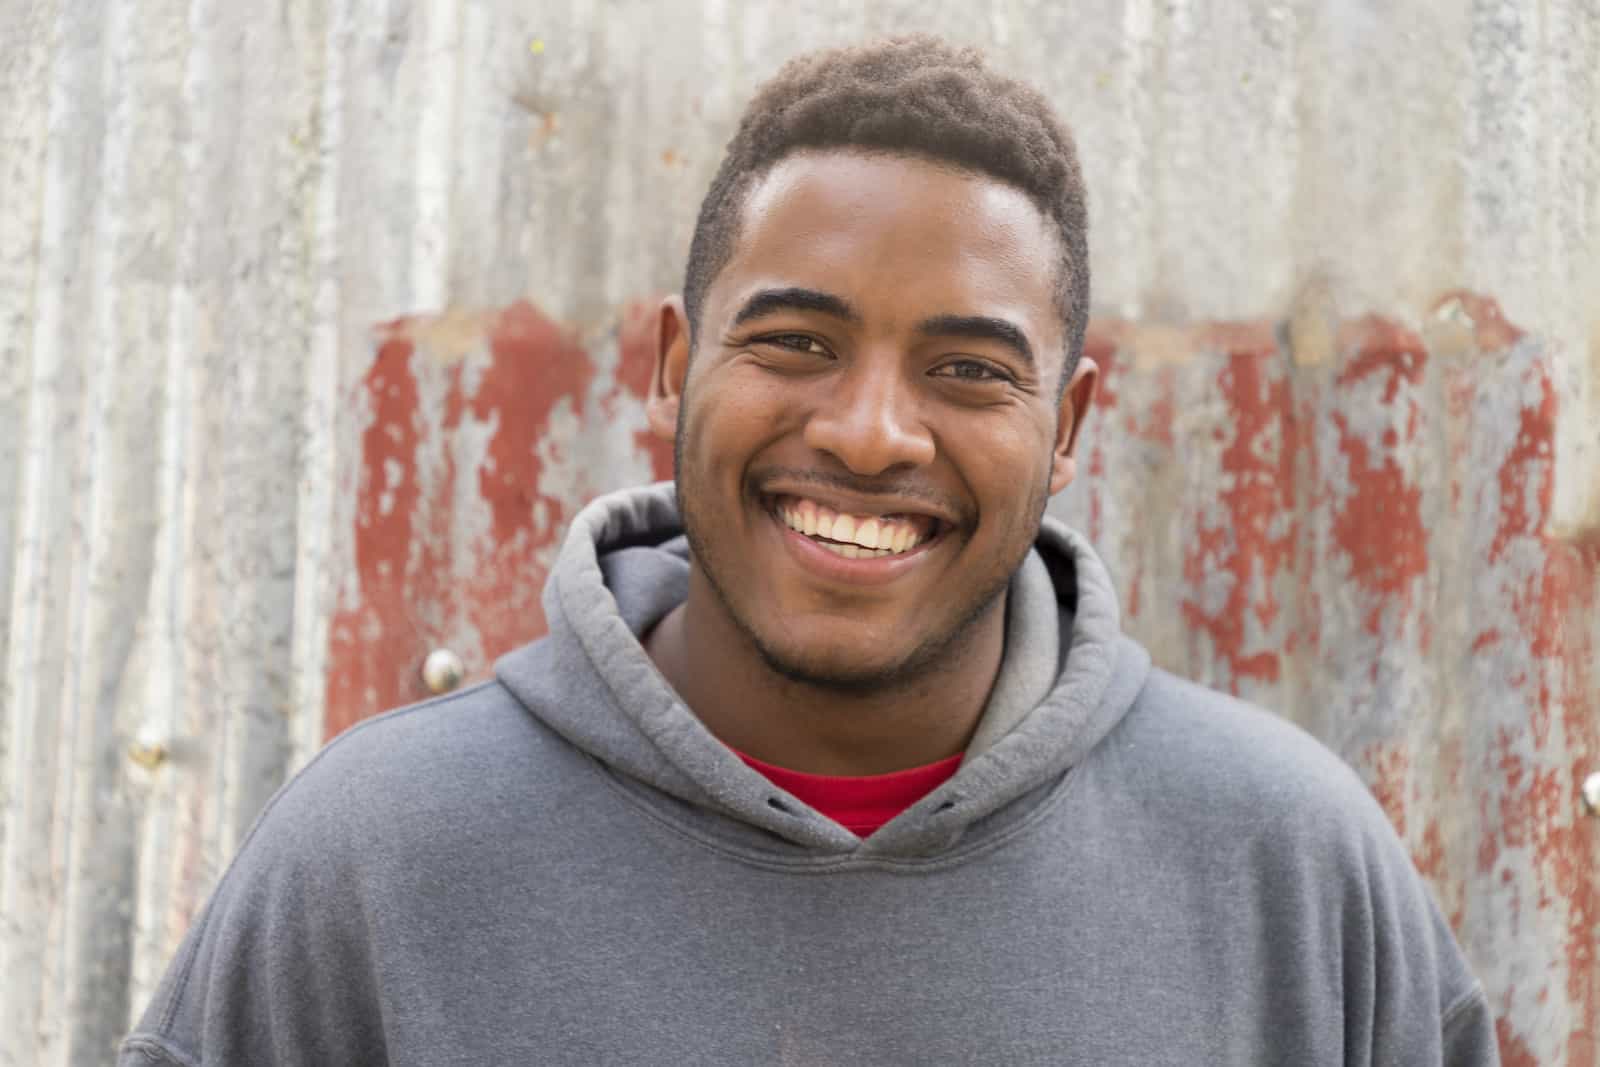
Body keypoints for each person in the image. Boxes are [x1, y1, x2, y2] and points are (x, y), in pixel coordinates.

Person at [120, 36, 1497, 1065]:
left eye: (967, 368)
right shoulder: (374, 863)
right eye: (797, 344)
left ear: (1069, 425)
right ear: (675, 363)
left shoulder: (1294, 871)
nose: (872, 432)